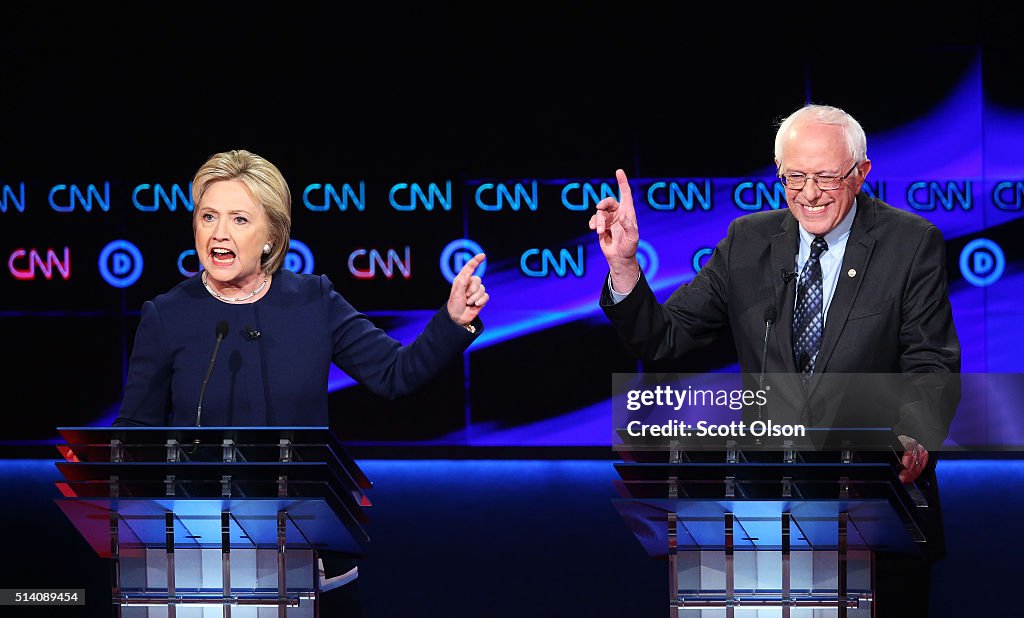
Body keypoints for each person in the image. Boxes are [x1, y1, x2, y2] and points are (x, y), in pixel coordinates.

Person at [590, 104, 960, 614]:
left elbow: (932, 362)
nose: (809, 194)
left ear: (861, 173)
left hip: (872, 508)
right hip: (762, 509)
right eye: (796, 176)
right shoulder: (749, 240)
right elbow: (666, 339)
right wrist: (625, 266)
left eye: (827, 177)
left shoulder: (910, 243)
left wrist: (914, 434)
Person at [114, 149, 489, 615]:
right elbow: (136, 438)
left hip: (307, 555)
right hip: (205, 560)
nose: (219, 233)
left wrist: (452, 321)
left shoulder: (314, 300)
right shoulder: (167, 315)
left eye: (239, 219)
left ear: (271, 235)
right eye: (208, 216)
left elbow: (396, 373)